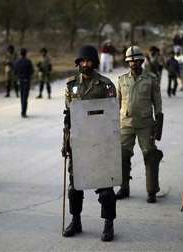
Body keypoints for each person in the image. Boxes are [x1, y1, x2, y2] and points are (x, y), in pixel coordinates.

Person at [62, 45, 117, 242]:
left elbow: (112, 117)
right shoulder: (70, 85)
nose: (85, 65)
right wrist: (66, 143)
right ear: (78, 63)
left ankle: (108, 224)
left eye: (89, 61)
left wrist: (111, 144)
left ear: (94, 63)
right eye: (82, 61)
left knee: (106, 188)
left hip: (101, 143)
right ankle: (76, 221)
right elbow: (68, 118)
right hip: (79, 144)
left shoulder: (106, 85)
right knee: (74, 186)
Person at [115, 46, 163, 203]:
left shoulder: (151, 79)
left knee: (150, 156)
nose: (134, 63)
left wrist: (159, 120)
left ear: (142, 61)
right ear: (127, 62)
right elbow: (117, 103)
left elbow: (157, 101)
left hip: (145, 123)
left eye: (136, 60)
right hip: (126, 123)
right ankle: (124, 187)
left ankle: (152, 191)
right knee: (122, 155)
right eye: (130, 61)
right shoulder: (122, 80)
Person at [14, 48, 34, 117]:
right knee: (25, 97)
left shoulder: (17, 62)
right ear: (26, 53)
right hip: (26, 80)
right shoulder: (28, 61)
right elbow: (32, 71)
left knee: (22, 96)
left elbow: (15, 71)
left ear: (20, 53)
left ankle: (22, 110)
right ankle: (23, 112)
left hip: (20, 81)